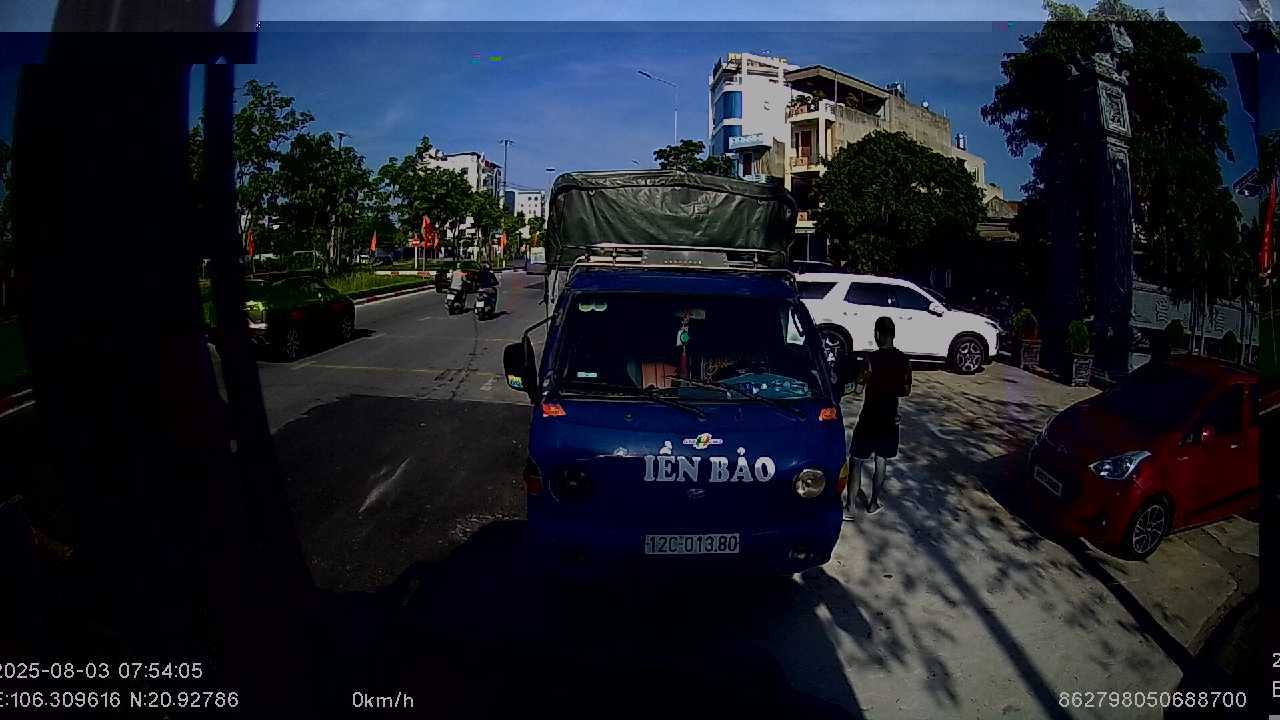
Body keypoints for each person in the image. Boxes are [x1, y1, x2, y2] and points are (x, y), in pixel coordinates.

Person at [845, 316, 911, 519]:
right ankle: (873, 503)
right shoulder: (904, 360)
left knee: (857, 459)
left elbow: (858, 389)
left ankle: (850, 507)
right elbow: (906, 390)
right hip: (890, 417)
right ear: (893, 334)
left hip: (869, 416)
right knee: (881, 459)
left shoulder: (870, 360)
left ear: (877, 334)